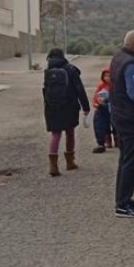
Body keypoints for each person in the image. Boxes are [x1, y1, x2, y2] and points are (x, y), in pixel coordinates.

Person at [110, 30, 134, 218]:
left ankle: (123, 200)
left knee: (125, 159)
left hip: (119, 116)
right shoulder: (132, 64)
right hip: (130, 119)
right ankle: (123, 204)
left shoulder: (120, 57)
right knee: (132, 161)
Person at [42, 47, 90, 177]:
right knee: (70, 133)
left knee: (55, 134)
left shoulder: (48, 71)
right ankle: (70, 162)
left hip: (52, 107)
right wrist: (86, 107)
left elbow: (45, 91)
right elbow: (79, 89)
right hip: (69, 105)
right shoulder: (70, 69)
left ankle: (53, 165)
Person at [91, 68, 114, 153]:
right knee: (101, 124)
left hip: (114, 107)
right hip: (103, 107)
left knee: (115, 125)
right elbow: (96, 96)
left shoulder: (116, 85)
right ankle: (104, 141)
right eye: (105, 76)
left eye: (109, 76)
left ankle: (117, 140)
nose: (107, 78)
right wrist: (95, 103)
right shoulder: (101, 86)